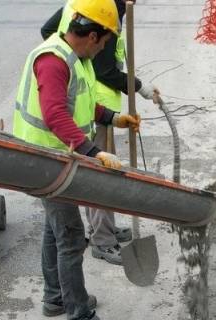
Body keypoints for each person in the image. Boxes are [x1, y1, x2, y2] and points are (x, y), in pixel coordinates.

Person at [12, 0, 140, 320]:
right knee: (70, 235)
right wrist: (94, 152)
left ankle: (56, 297)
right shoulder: (54, 61)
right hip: (46, 159)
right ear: (92, 35)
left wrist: (113, 118)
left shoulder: (75, 57)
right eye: (103, 41)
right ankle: (79, 316)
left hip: (53, 157)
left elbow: (80, 101)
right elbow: (55, 115)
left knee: (55, 231)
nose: (103, 48)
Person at [40, 0, 161, 265]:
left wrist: (70, 65)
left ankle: (102, 229)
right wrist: (137, 86)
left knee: (96, 175)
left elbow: (46, 29)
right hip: (91, 107)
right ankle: (103, 239)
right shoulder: (103, 12)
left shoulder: (83, 4)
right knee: (102, 176)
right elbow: (104, 70)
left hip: (91, 106)